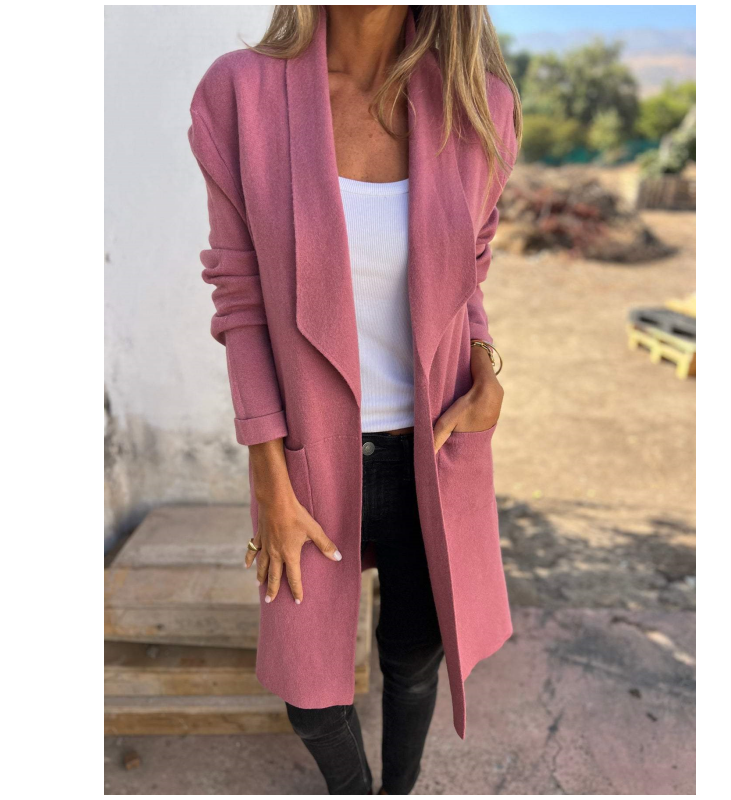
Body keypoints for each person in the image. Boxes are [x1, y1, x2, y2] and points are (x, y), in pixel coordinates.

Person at [189, 5, 521, 794]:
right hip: (308, 461)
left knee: (414, 661)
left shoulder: (480, 104)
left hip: (435, 452)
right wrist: (269, 476)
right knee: (311, 700)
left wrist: (487, 368)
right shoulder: (240, 95)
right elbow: (240, 298)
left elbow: (469, 270)